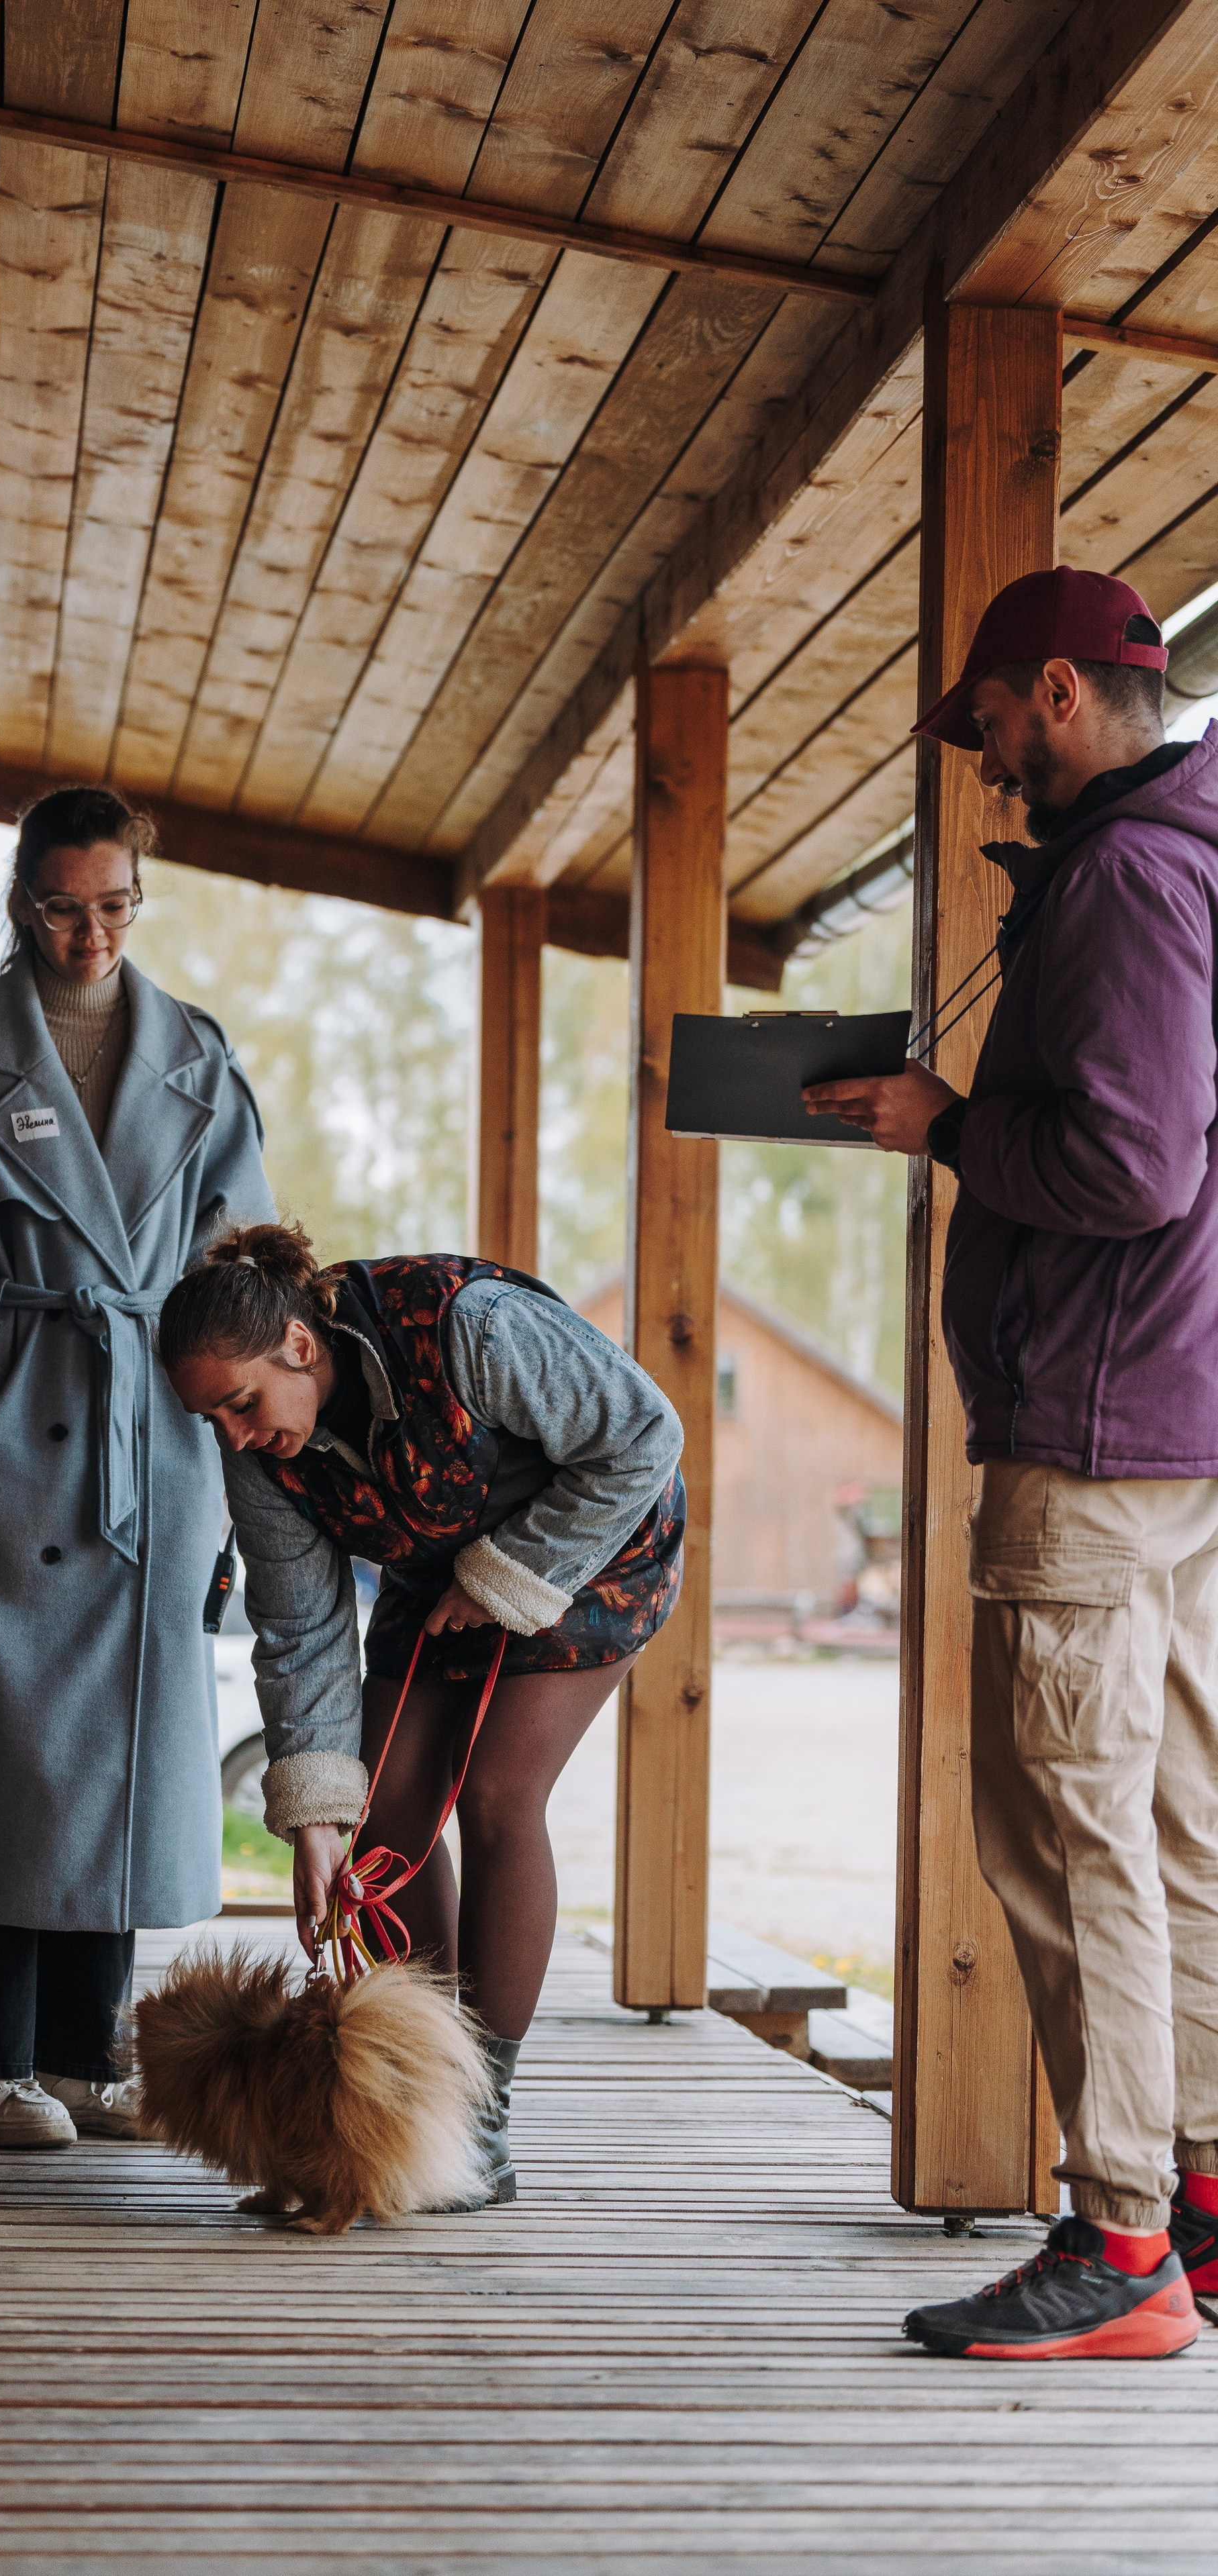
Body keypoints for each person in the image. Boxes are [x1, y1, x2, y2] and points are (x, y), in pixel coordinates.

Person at [804, 566, 1218, 2358]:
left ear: (1057, 690)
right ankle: (1198, 2198)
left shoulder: (1127, 874)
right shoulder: (1180, 853)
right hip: (1184, 1420)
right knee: (1184, 1828)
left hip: (1100, 1414)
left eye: (982, 717)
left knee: (1068, 1832)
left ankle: (1121, 2241)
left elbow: (1132, 1170)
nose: (977, 757)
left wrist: (947, 1123)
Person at [0, 787, 273, 2149]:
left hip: (150, 1431)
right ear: (17, 901)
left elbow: (242, 1260)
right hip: (11, 1422)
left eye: (112, 906)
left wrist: (217, 1403)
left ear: (137, 900)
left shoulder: (195, 1058)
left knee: (118, 1755)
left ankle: (83, 2055)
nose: (87, 935)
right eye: (58, 906)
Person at [156, 1221, 686, 2208]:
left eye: (240, 1403)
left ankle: (481, 2126)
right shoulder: (261, 1456)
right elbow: (303, 1631)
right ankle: (419, 2106)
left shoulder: (472, 1330)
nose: (232, 1434)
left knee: (495, 1792)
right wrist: (315, 1821)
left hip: (596, 1543)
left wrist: (507, 1577)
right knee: (382, 1825)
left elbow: (646, 1433)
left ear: (300, 1348)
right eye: (211, 1421)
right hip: (440, 1562)